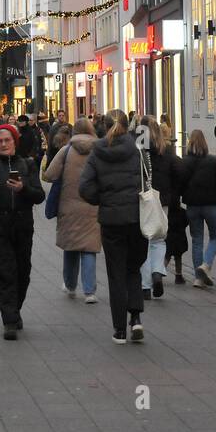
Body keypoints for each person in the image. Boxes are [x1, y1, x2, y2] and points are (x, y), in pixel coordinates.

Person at [79, 110, 147, 345]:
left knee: (116, 273)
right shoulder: (137, 150)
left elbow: (84, 187)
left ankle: (119, 330)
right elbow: (149, 181)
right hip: (137, 218)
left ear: (103, 126)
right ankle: (136, 317)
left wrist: (103, 199)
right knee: (133, 268)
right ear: (128, 126)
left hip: (111, 220)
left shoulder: (97, 152)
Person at [0, 124, 45, 340]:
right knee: (5, 270)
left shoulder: (28, 164)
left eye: (7, 140)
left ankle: (15, 310)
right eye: (0, 141)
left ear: (15, 142)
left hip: (23, 224)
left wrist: (22, 188)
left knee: (23, 272)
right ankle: (9, 320)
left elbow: (39, 195)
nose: (4, 144)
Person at [43, 117, 100, 303]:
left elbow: (49, 175)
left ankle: (70, 285)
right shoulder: (100, 150)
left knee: (71, 246)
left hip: (69, 206)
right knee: (89, 248)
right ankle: (90, 291)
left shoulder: (66, 151)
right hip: (94, 205)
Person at [179, 129, 216, 288]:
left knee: (197, 239)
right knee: (215, 236)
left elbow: (180, 184)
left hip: (192, 206)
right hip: (212, 205)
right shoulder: (214, 162)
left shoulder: (185, 162)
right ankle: (206, 265)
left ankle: (198, 278)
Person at [144, 116, 186, 289]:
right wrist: (173, 193)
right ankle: (157, 272)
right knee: (159, 239)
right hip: (163, 201)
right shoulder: (166, 151)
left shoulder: (139, 150)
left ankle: (145, 285)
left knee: (144, 240)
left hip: (143, 199)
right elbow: (181, 171)